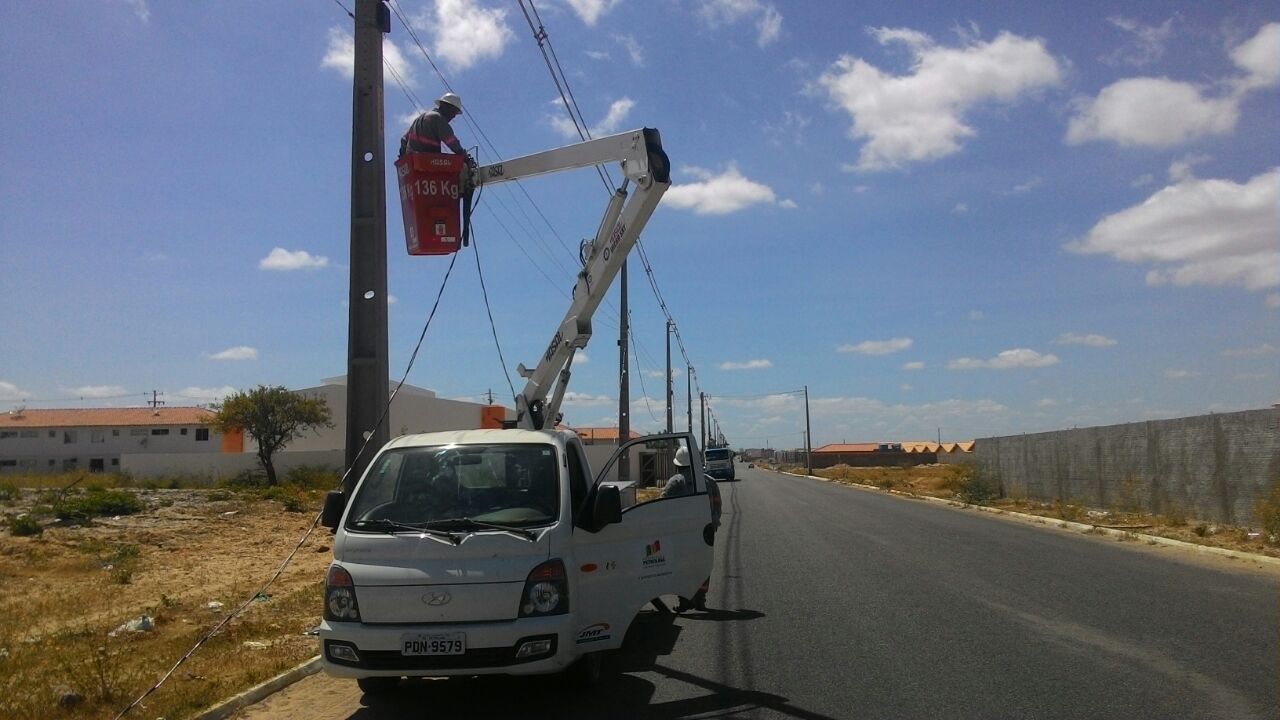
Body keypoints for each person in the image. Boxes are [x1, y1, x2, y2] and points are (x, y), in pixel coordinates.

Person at [399, 92, 469, 159]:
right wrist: (463, 154)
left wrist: (404, 158)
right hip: (428, 161)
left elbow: (404, 139)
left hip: (414, 162)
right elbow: (451, 141)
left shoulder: (419, 119)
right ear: (444, 106)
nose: (454, 116)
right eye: (453, 112)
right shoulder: (437, 118)